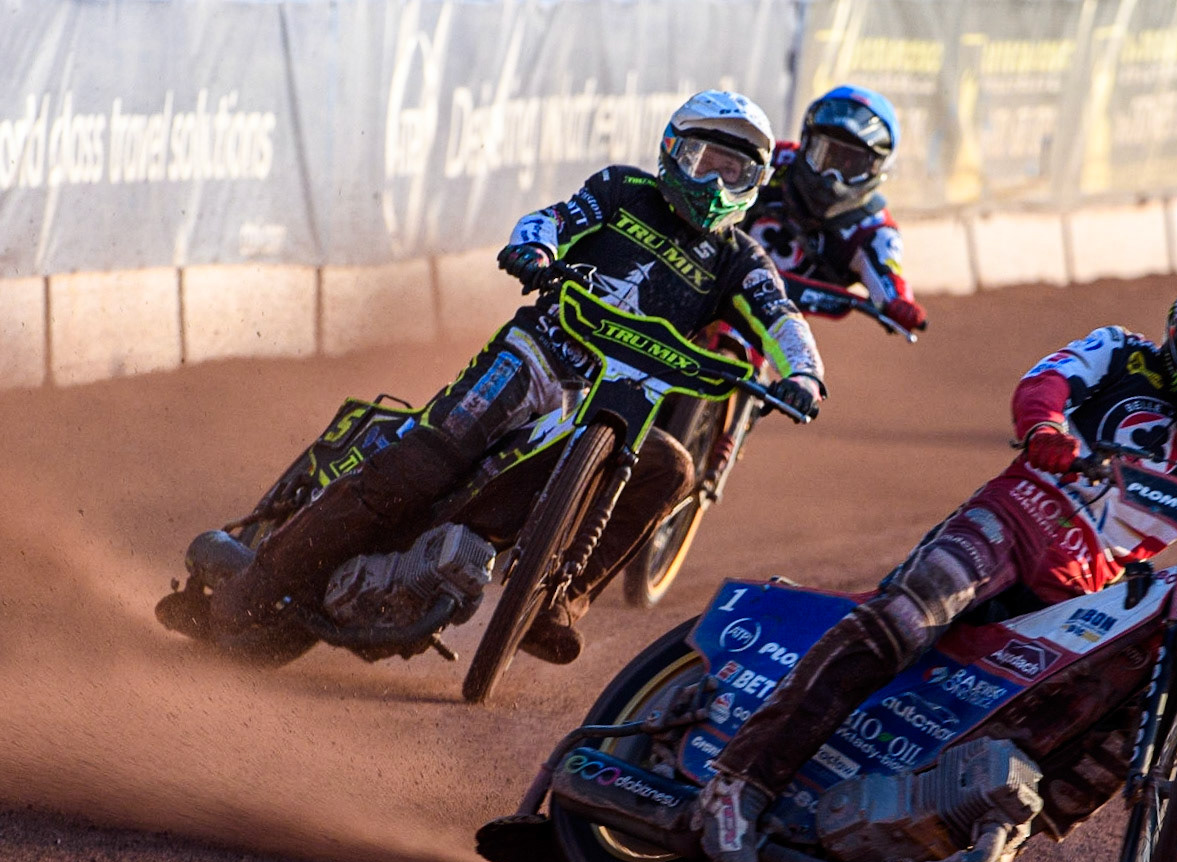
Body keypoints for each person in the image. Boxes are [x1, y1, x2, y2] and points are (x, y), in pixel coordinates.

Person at [696, 249, 1177, 862]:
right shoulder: (1120, 353)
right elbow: (1045, 383)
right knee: (908, 616)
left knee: (1128, 698)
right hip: (1018, 517)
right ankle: (739, 783)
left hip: (1084, 594)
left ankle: (999, 822)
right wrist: (1045, 427)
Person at [209, 90, 825, 664]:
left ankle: (556, 603)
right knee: (424, 463)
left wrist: (804, 373)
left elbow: (782, 317)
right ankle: (253, 589)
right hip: (537, 354)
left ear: (754, 183)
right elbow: (553, 219)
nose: (713, 184)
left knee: (673, 467)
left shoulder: (740, 260)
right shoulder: (623, 189)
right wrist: (534, 250)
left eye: (732, 172)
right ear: (672, 152)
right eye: (703, 162)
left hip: (615, 400)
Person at [741, 84, 927, 333]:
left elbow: (887, 277)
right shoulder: (773, 161)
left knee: (797, 354)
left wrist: (900, 304)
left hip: (773, 324)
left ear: (878, 170)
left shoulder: (873, 230)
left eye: (852, 166)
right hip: (710, 274)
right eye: (824, 155)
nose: (831, 177)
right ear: (805, 143)